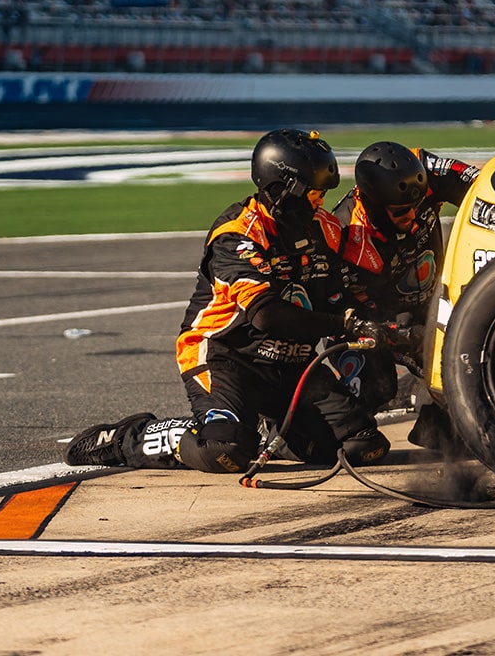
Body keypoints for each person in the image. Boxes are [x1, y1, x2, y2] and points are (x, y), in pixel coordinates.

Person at [63, 128, 390, 473]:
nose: (320, 202)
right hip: (227, 357)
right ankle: (129, 436)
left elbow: (340, 293)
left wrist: (379, 324)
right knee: (225, 450)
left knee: (362, 446)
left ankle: (275, 434)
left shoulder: (325, 228)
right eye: (313, 194)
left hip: (293, 364)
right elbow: (266, 315)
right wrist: (345, 324)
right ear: (281, 190)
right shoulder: (237, 235)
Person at [331, 141, 480, 448]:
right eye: (401, 211)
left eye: (418, 204)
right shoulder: (345, 236)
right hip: (375, 319)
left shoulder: (419, 170)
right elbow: (335, 310)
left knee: (472, 364)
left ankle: (435, 424)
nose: (413, 215)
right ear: (374, 205)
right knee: (372, 387)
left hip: (432, 300)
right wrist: (399, 335)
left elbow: (481, 185)